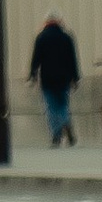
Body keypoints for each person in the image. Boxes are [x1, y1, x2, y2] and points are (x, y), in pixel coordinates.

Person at [27, 11, 82, 152]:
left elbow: (36, 59)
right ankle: (66, 123)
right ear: (60, 22)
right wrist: (75, 77)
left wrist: (32, 75)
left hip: (48, 79)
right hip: (64, 78)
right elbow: (72, 59)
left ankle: (56, 135)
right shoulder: (67, 37)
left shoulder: (41, 38)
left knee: (51, 108)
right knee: (63, 105)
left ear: (46, 22)